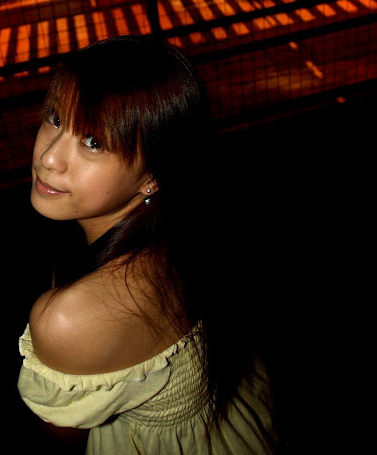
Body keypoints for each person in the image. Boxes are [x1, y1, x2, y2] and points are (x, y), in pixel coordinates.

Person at [18, 36, 278, 454]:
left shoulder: (69, 319)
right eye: (55, 118)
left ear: (152, 176)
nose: (49, 157)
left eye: (94, 142)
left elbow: (60, 445)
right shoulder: (183, 229)